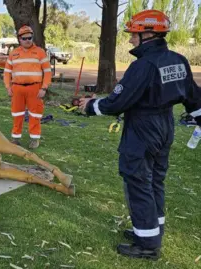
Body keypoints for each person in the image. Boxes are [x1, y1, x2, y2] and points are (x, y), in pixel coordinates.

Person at [78, 10, 201, 260]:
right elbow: (193, 96)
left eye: (133, 34)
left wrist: (90, 106)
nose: (130, 39)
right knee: (155, 179)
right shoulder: (178, 59)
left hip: (143, 128)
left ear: (147, 33)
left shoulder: (143, 65)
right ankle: (152, 231)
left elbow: (118, 101)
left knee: (138, 181)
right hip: (165, 126)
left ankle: (147, 246)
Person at [3, 25, 52, 149]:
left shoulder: (40, 52)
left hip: (35, 88)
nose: (27, 40)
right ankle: (15, 138)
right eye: (24, 38)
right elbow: (7, 72)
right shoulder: (13, 53)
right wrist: (8, 87)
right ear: (19, 39)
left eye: (30, 38)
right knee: (17, 114)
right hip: (17, 88)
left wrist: (44, 88)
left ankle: (34, 139)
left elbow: (47, 72)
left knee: (35, 114)